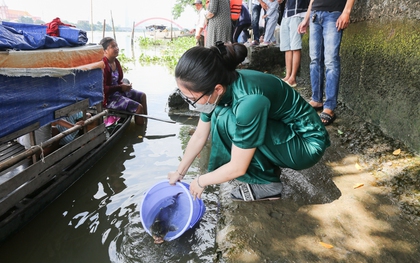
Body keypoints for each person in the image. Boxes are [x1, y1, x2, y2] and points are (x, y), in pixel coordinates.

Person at [168, 42, 330, 201]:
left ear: (217, 89)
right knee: (222, 115)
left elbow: (238, 166)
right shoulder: (223, 84)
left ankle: (267, 184)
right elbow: (199, 135)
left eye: (192, 99)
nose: (192, 104)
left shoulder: (249, 101)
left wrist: (200, 181)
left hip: (307, 144)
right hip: (283, 130)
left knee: (226, 120)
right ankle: (264, 169)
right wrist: (180, 173)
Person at [297, 0, 356, 125]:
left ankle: (329, 106)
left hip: (333, 13)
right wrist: (306, 18)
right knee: (314, 60)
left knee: (331, 61)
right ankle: (316, 99)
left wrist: (346, 11)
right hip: (315, 14)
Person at [100, 37, 148, 125]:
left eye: (116, 46)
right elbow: (103, 89)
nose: (116, 48)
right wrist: (120, 87)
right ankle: (141, 133)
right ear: (105, 51)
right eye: (113, 47)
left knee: (142, 96)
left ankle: (145, 123)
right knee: (138, 108)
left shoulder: (116, 62)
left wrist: (125, 86)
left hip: (118, 92)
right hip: (109, 99)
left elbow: (118, 81)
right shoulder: (103, 65)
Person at [279, 0, 309, 88]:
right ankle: (288, 75)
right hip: (286, 14)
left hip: (298, 13)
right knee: (287, 47)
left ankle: (293, 77)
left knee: (295, 47)